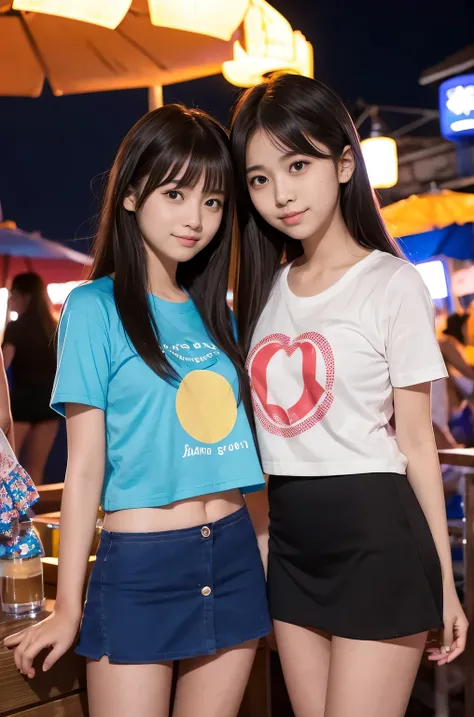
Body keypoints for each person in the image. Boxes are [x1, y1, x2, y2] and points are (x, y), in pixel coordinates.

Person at [4, 105, 271, 717]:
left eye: (212, 201)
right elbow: (85, 470)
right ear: (130, 196)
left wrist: (262, 563)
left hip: (233, 555)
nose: (196, 218)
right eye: (176, 193)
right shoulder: (94, 308)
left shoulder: (220, 317)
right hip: (141, 570)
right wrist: (68, 606)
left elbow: (244, 461)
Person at [229, 73, 468, 717]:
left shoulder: (392, 283)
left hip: (376, 535)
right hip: (291, 541)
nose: (280, 194)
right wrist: (261, 549)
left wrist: (445, 585)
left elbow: (418, 443)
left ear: (342, 164)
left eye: (297, 164)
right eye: (258, 178)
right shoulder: (264, 290)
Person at [2, 273, 59, 483]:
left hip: (21, 405)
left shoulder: (16, 328)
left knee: (7, 468)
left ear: (25, 296)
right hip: (49, 404)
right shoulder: (53, 327)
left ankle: (10, 516)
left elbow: (4, 364)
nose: (10, 301)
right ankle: (33, 515)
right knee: (36, 469)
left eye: (13, 295)